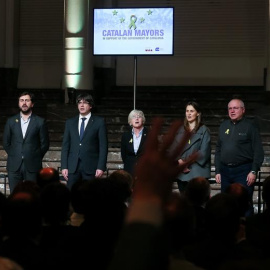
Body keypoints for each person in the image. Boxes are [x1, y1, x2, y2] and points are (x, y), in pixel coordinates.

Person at [215, 98, 264, 215]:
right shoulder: (223, 126)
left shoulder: (250, 127)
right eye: (230, 108)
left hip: (243, 171)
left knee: (244, 204)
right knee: (225, 204)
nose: (232, 111)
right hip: (225, 172)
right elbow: (218, 149)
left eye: (235, 108)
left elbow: (258, 151)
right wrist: (217, 170)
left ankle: (246, 230)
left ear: (243, 110)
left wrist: (254, 170)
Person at [3, 91, 50, 193]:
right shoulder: (11, 121)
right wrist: (14, 154)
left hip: (33, 165)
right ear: (19, 103)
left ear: (32, 104)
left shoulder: (40, 121)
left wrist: (35, 156)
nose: (24, 103)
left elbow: (45, 144)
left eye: (27, 100)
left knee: (33, 195)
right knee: (15, 195)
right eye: (21, 100)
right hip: (14, 165)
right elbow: (6, 142)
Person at [61, 93, 108, 189]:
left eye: (85, 103)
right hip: (73, 167)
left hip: (91, 166)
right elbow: (65, 145)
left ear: (90, 105)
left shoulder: (99, 122)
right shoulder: (70, 122)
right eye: (79, 103)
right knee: (71, 195)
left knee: (90, 196)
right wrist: (64, 166)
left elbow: (103, 146)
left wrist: (101, 167)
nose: (81, 105)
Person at [171, 101, 211, 192]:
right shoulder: (180, 130)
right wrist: (180, 161)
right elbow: (173, 149)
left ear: (198, 113)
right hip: (182, 173)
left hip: (197, 172)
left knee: (197, 203)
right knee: (184, 203)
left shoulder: (204, 130)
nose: (188, 113)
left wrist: (186, 163)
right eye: (187, 111)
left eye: (192, 111)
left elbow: (204, 152)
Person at [121, 109, 148, 177]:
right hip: (129, 171)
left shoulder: (150, 134)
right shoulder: (126, 135)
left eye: (139, 116)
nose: (137, 118)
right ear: (130, 121)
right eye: (134, 117)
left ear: (143, 120)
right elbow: (123, 154)